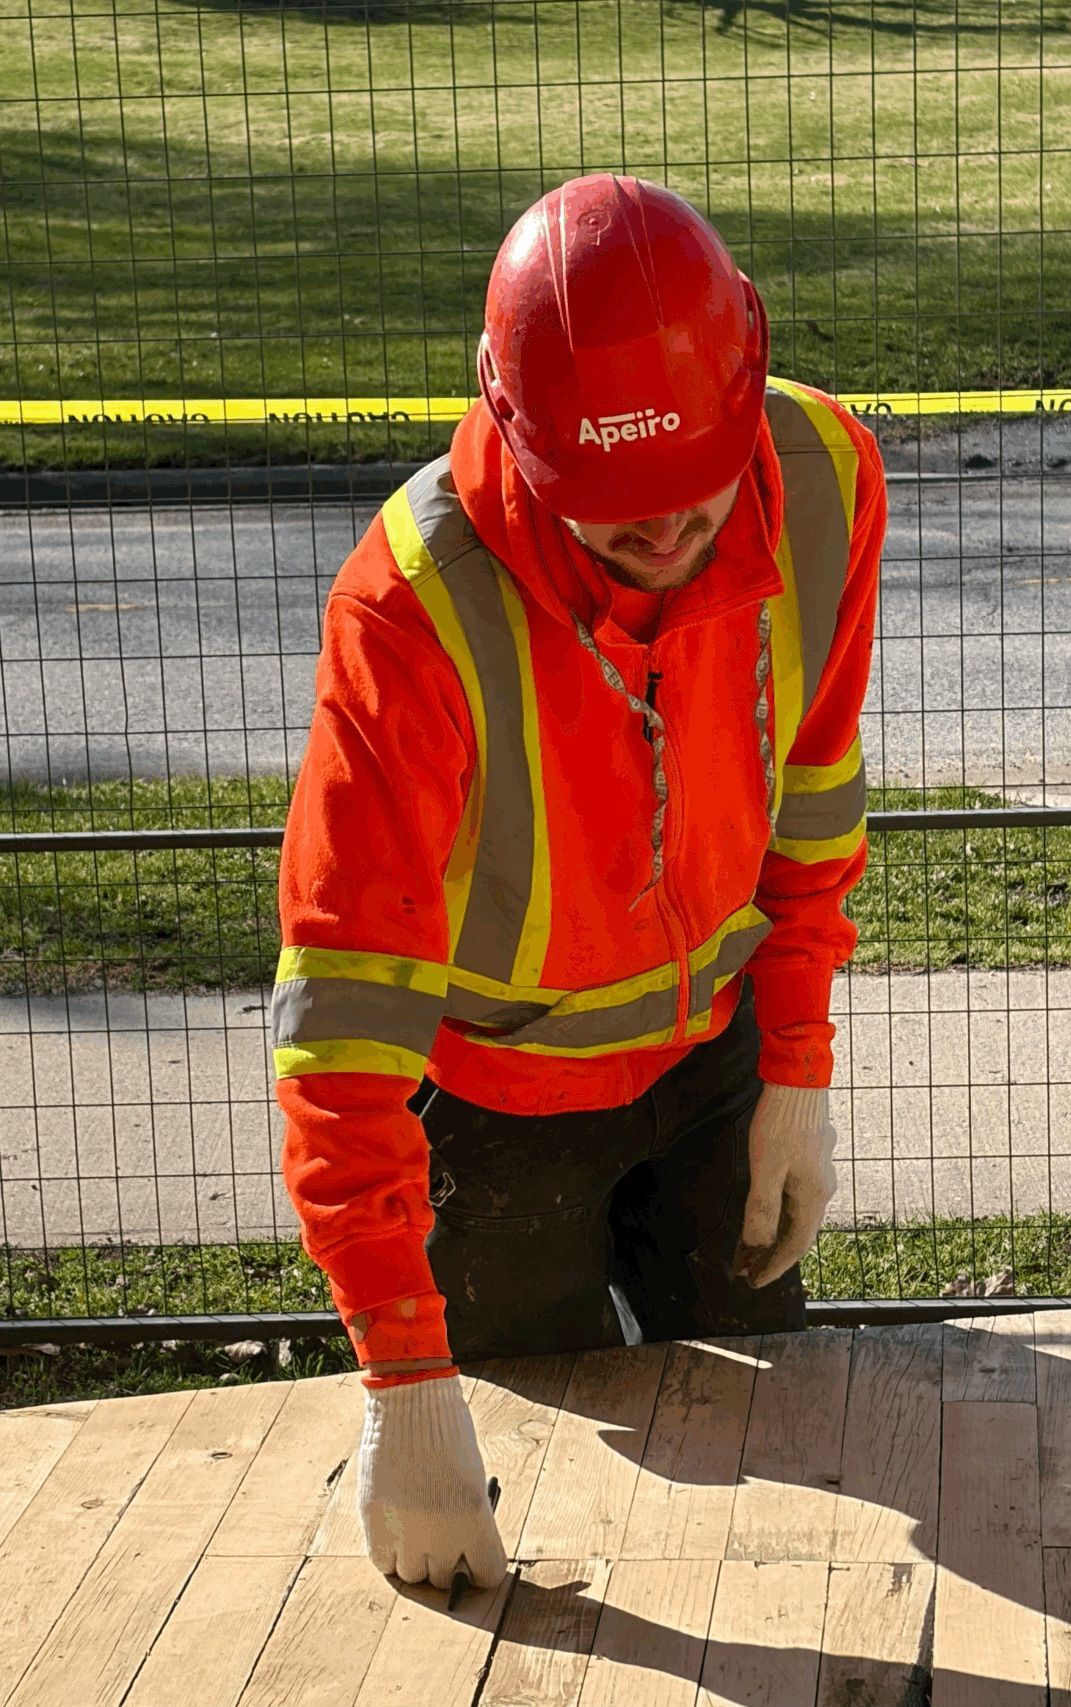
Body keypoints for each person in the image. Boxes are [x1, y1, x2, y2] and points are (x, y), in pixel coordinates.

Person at [272, 174, 886, 1594]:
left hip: (719, 1069)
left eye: (693, 493)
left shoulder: (826, 481)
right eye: (615, 513)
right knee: (553, 1485)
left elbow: (814, 794)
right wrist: (405, 1386)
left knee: (772, 1457)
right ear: (514, 432)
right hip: (491, 1120)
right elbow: (342, 1014)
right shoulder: (412, 605)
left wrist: (794, 1062)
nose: (669, 538)